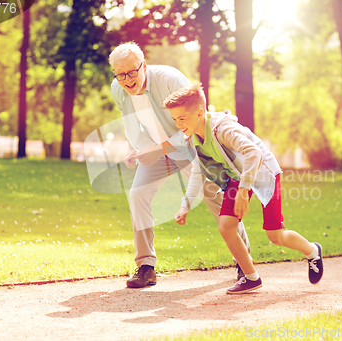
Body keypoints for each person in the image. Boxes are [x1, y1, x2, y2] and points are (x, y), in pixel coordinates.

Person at [108, 42, 251, 288]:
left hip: (192, 146)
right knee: (138, 194)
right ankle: (146, 266)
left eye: (132, 72)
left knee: (213, 196)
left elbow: (198, 122)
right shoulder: (118, 89)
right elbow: (130, 122)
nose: (127, 80)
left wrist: (158, 149)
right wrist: (135, 149)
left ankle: (244, 262)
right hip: (157, 150)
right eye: (121, 75)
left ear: (144, 65)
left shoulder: (170, 79)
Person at [164, 83, 324, 294]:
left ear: (199, 113)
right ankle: (251, 278)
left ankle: (313, 251)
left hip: (263, 172)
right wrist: (185, 205)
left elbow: (254, 153)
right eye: (174, 119)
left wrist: (243, 189)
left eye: (181, 119)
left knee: (275, 235)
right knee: (226, 227)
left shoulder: (223, 130)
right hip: (236, 176)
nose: (178, 124)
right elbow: (197, 172)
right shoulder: (193, 138)